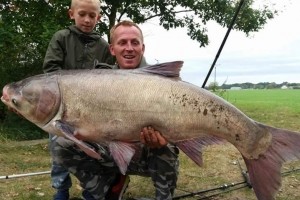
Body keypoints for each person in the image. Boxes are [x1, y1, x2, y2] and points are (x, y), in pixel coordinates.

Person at [52, 20, 179, 200]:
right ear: (112, 49)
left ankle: (164, 197)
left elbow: (175, 127)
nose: (129, 48)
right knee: (61, 144)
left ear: (143, 48)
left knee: (167, 148)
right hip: (110, 149)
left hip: (145, 153)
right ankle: (107, 190)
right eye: (122, 43)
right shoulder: (98, 80)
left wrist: (162, 142)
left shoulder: (157, 81)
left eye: (134, 42)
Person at [42, 0, 114, 199]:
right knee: (58, 146)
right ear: (71, 14)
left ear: (98, 18)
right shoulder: (61, 38)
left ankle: (91, 188)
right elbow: (50, 72)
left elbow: (108, 80)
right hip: (62, 107)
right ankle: (61, 188)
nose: (87, 20)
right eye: (82, 14)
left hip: (91, 110)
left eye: (93, 16)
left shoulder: (103, 46)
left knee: (90, 148)